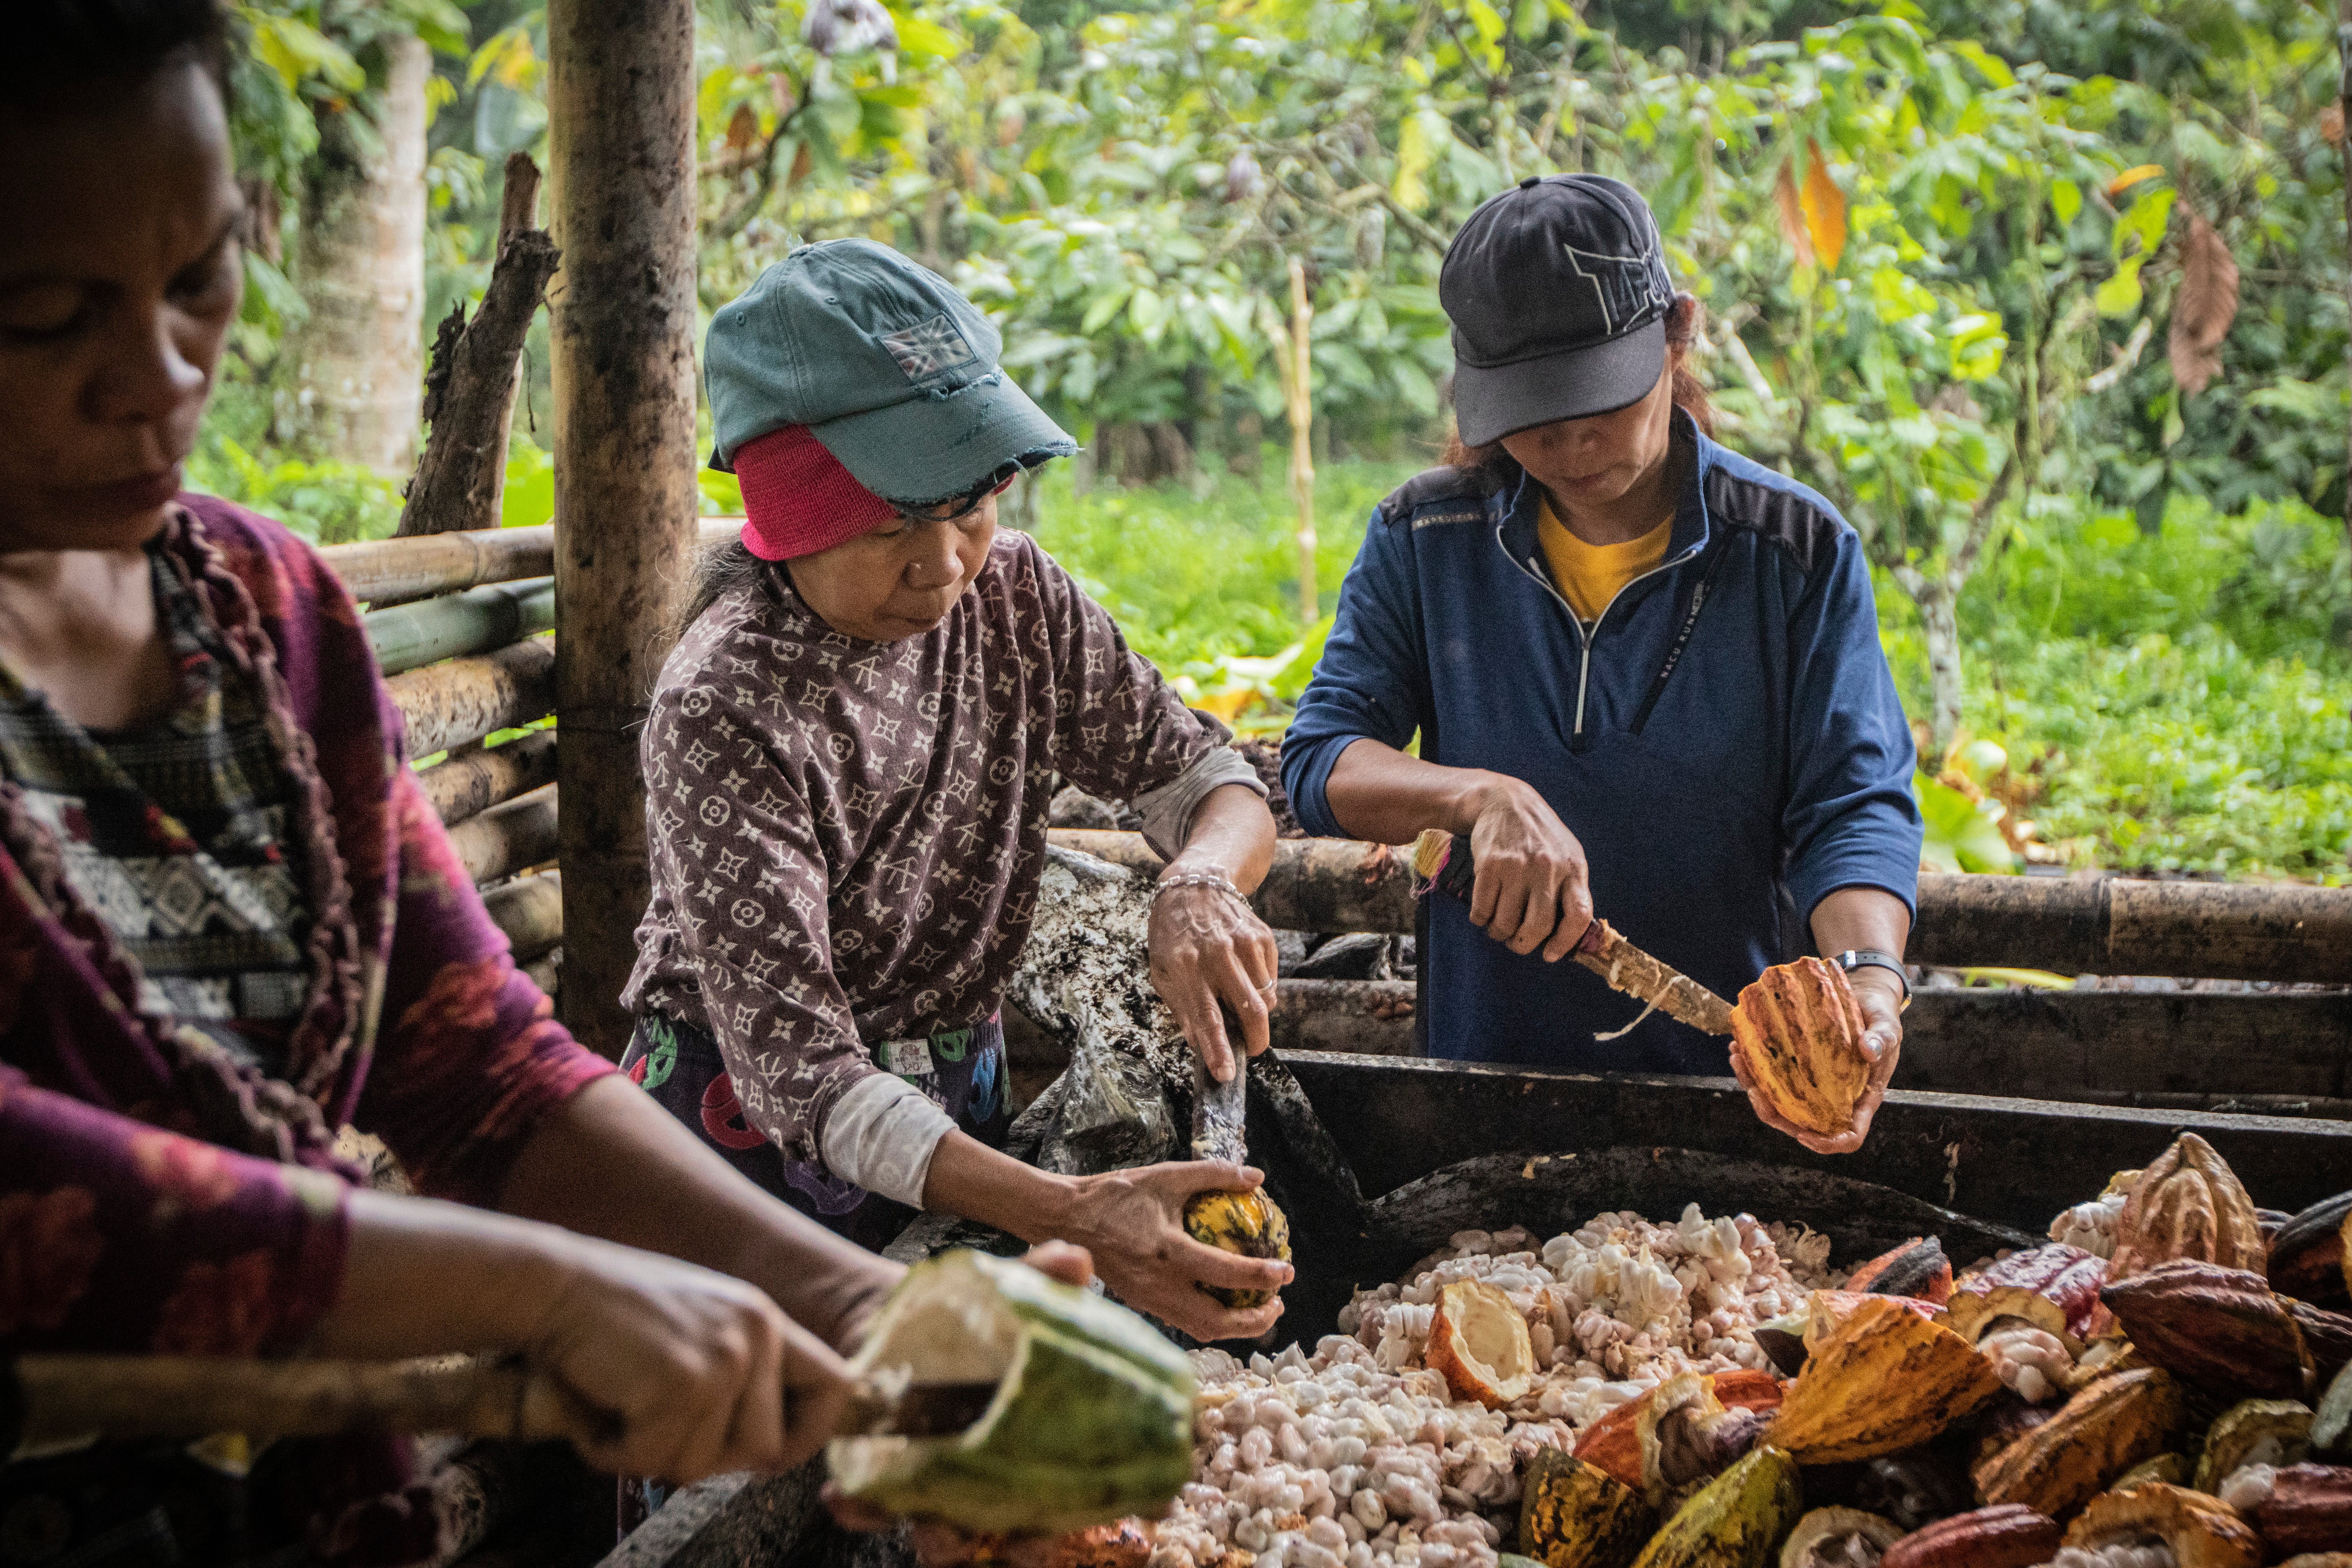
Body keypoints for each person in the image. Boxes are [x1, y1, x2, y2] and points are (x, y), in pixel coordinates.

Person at [0, 5, 965, 1560]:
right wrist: (541, 1291)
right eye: (46, 315)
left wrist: (867, 1300)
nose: (158, 373)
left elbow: (476, 1069)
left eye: (196, 283)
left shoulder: (261, 619)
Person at [622, 239, 1295, 1343]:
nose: (944, 563)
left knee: (952, 1457)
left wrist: (1204, 880)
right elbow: (806, 1076)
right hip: (745, 1136)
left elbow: (1205, 775)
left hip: (951, 1101)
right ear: (787, 516)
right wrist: (1080, 1214)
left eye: (972, 508)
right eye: (892, 524)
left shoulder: (1017, 598)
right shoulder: (725, 702)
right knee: (765, 1447)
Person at [1281, 174, 1923, 1155]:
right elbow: (1323, 759)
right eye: (1534, 415)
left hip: (1733, 1100)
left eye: (1598, 402)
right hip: (1486, 1085)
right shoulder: (1427, 537)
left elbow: (1855, 805)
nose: (1571, 443)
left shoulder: (1794, 552)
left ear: (1679, 335)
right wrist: (1477, 798)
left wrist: (1869, 979)